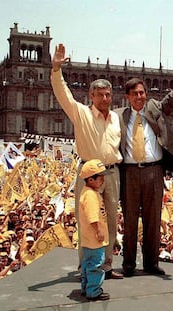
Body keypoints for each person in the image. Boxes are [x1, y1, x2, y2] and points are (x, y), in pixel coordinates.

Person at [116, 47, 173, 277]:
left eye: (142, 92)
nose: (140, 96)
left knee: (153, 219)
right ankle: (129, 264)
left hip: (154, 171)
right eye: (135, 94)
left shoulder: (154, 108)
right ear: (128, 97)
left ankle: (151, 263)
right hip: (129, 173)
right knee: (130, 220)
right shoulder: (118, 116)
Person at [51, 43, 123, 280]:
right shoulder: (81, 113)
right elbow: (63, 94)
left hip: (111, 173)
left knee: (111, 220)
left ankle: (107, 265)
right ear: (90, 96)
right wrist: (56, 69)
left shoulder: (116, 119)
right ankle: (85, 266)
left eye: (108, 94)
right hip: (88, 175)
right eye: (99, 94)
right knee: (86, 220)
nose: (104, 98)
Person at [78, 159, 111, 301]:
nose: (103, 180)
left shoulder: (88, 192)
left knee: (87, 263)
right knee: (96, 265)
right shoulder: (90, 196)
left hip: (88, 238)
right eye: (100, 177)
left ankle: (86, 287)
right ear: (91, 179)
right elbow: (92, 217)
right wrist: (99, 231)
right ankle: (94, 291)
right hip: (94, 238)